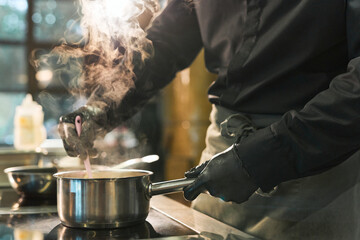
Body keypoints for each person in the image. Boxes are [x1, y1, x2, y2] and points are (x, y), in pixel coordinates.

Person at [58, 0, 360, 239]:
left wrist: (267, 156)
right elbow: (164, 45)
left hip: (313, 166)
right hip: (220, 153)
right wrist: (102, 107)